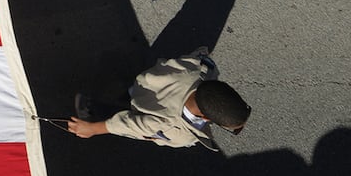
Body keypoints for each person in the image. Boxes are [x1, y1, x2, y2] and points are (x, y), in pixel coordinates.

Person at [70, 50, 250, 150]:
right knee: (120, 107)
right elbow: (128, 125)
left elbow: (197, 56)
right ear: (205, 117)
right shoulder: (173, 128)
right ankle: (91, 106)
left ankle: (109, 90)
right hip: (142, 107)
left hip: (145, 85)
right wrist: (93, 129)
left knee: (127, 91)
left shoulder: (203, 70)